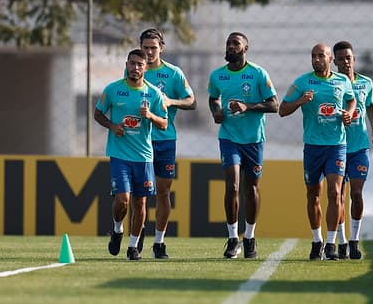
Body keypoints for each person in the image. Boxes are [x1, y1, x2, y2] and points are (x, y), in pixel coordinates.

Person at [279, 44, 356, 261]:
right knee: (313, 194)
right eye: (313, 56)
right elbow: (282, 110)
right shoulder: (302, 82)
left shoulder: (342, 81)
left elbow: (351, 99)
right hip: (313, 146)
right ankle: (317, 240)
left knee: (334, 192)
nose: (316, 59)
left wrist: (349, 114)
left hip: (337, 145)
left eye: (321, 55)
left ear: (331, 58)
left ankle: (331, 243)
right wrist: (300, 101)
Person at [208, 32, 279, 259]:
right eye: (228, 43)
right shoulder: (218, 75)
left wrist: (248, 106)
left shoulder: (258, 74)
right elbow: (213, 98)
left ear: (245, 49)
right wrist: (216, 111)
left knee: (252, 188)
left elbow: (274, 105)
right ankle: (232, 239)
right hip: (229, 137)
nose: (230, 46)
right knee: (233, 185)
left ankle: (249, 236)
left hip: (253, 140)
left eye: (235, 44)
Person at [94, 49, 168, 261]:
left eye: (140, 64)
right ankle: (117, 229)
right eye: (132, 63)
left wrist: (151, 115)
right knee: (123, 200)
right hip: (120, 154)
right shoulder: (113, 89)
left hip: (144, 157)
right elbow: (98, 113)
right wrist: (112, 125)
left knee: (140, 204)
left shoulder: (153, 93)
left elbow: (164, 124)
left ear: (146, 68)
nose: (135, 68)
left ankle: (133, 247)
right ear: (126, 64)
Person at [137, 28, 196, 259]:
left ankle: (159, 242)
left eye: (153, 48)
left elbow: (192, 101)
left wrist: (170, 101)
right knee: (139, 195)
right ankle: (137, 233)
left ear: (162, 48)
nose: (150, 52)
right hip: (139, 141)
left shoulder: (173, 73)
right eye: (146, 48)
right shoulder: (134, 70)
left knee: (163, 192)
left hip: (165, 140)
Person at [332, 41, 373, 260]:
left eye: (348, 58)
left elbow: (370, 105)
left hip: (359, 147)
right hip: (337, 146)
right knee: (338, 196)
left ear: (354, 59)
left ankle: (354, 240)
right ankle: (341, 242)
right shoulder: (332, 83)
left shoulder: (366, 83)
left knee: (357, 193)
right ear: (335, 61)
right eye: (341, 59)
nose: (345, 62)